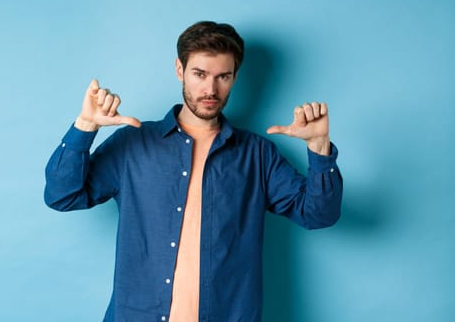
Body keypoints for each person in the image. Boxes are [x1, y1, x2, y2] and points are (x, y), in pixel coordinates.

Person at [44, 21, 343, 322]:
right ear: (180, 70)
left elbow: (318, 215)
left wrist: (319, 148)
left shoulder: (257, 155)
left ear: (235, 77)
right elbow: (62, 195)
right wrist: (85, 126)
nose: (210, 89)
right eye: (200, 74)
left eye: (223, 76)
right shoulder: (134, 143)